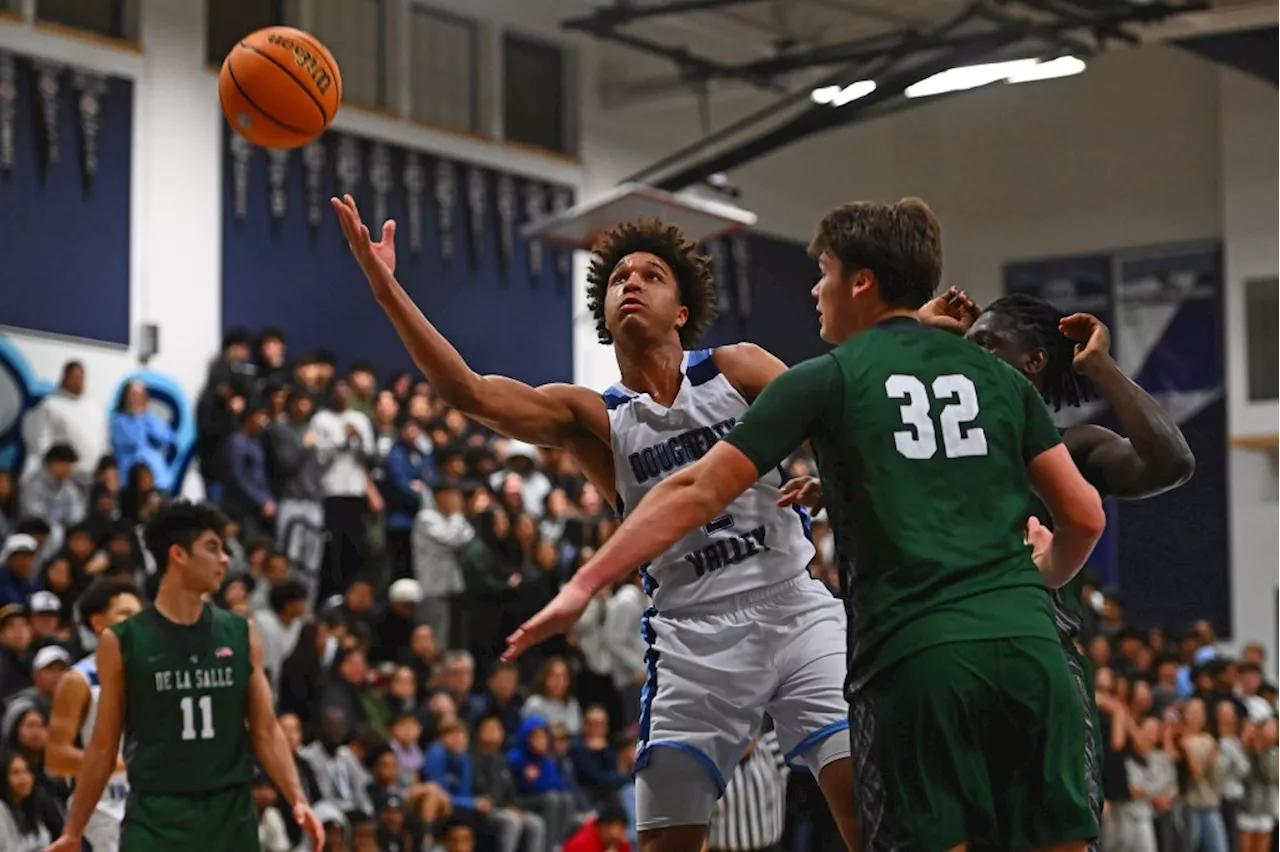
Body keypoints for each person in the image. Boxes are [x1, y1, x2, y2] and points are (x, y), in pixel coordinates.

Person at [507, 198, 1108, 852]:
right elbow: (1084, 515)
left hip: (920, 653)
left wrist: (583, 584)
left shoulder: (827, 379)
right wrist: (1041, 574)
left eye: (823, 272)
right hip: (1029, 646)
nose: (814, 289)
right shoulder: (997, 376)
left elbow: (695, 490)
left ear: (861, 281)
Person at [332, 195, 863, 852]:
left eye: (650, 275)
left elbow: (840, 414)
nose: (631, 282)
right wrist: (387, 290)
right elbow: (469, 393)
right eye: (618, 279)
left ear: (684, 309)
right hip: (691, 637)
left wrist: (833, 471)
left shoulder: (738, 368)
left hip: (793, 609)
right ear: (605, 315)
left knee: (866, 808)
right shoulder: (596, 418)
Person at [43, 501, 324, 852]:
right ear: (178, 555)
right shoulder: (122, 642)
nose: (225, 559)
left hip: (229, 816)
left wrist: (296, 797)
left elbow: (265, 729)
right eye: (212, 548)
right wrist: (73, 830)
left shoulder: (241, 633)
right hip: (157, 818)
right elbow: (102, 745)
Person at [44, 578, 142, 852]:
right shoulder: (78, 680)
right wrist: (114, 762)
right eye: (125, 614)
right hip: (97, 816)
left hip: (144, 809)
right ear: (98, 623)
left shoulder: (151, 675)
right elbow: (56, 757)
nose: (136, 622)